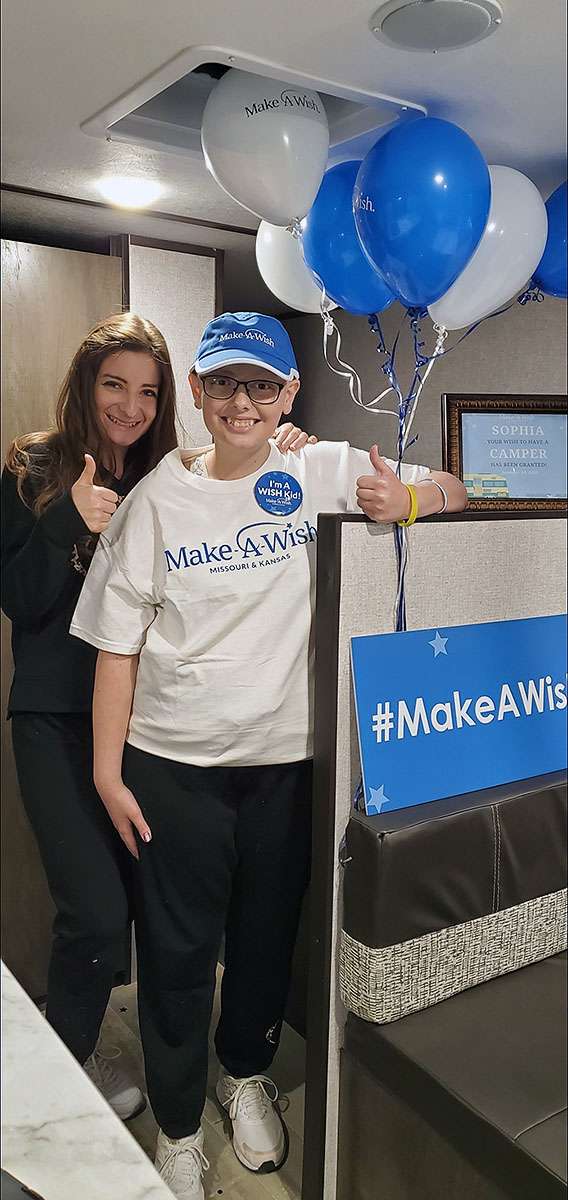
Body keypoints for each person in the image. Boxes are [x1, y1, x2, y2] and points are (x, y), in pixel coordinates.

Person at [69, 311, 467, 1197]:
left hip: (289, 769)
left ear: (290, 392)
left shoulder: (318, 467)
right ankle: (177, 1120)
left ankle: (243, 1071)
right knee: (174, 952)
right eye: (223, 384)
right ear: (200, 396)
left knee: (262, 940)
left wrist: (408, 500)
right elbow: (116, 646)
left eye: (261, 384)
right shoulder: (156, 501)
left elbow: (454, 483)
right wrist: (105, 770)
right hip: (172, 769)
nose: (241, 401)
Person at [1, 310, 312, 1122]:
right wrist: (69, 516)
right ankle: (55, 1094)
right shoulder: (31, 467)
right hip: (55, 718)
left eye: (148, 390)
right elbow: (22, 599)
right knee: (95, 914)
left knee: (157, 919)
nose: (130, 406)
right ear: (85, 385)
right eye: (114, 385)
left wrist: (286, 447)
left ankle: (143, 1066)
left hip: (146, 731)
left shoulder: (167, 473)